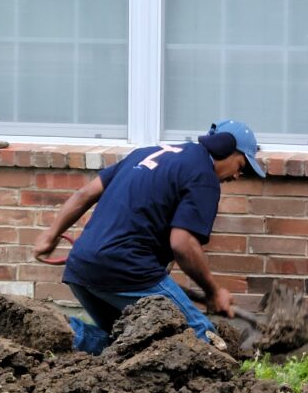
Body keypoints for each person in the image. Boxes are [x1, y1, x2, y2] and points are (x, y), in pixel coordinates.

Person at [33, 120, 266, 354]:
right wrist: (214, 292)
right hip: (127, 268)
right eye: (242, 167)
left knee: (129, 341)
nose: (237, 175)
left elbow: (86, 193)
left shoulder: (147, 154)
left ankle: (56, 332)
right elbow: (183, 244)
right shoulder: (203, 177)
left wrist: (51, 236)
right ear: (226, 148)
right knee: (200, 343)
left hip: (81, 266)